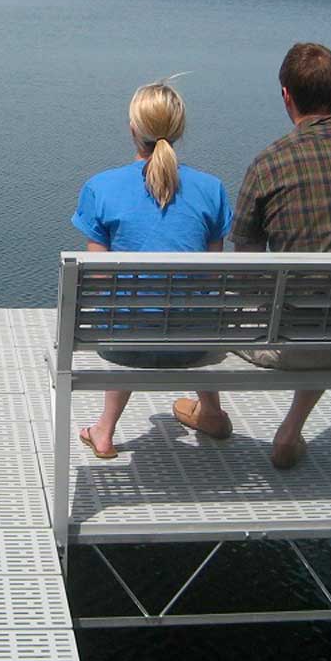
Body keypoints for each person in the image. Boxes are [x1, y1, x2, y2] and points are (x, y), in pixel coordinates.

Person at [229, 42, 331, 468]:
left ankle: (206, 410)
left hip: (292, 345)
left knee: (218, 310)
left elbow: (246, 264)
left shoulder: (270, 163)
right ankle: (291, 429)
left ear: (286, 96)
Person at [71, 81, 233, 459]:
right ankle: (210, 409)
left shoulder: (101, 188)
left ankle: (104, 432)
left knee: (127, 311)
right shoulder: (212, 190)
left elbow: (97, 281)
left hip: (124, 347)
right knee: (190, 310)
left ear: (133, 128)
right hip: (195, 348)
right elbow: (211, 280)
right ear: (179, 129)